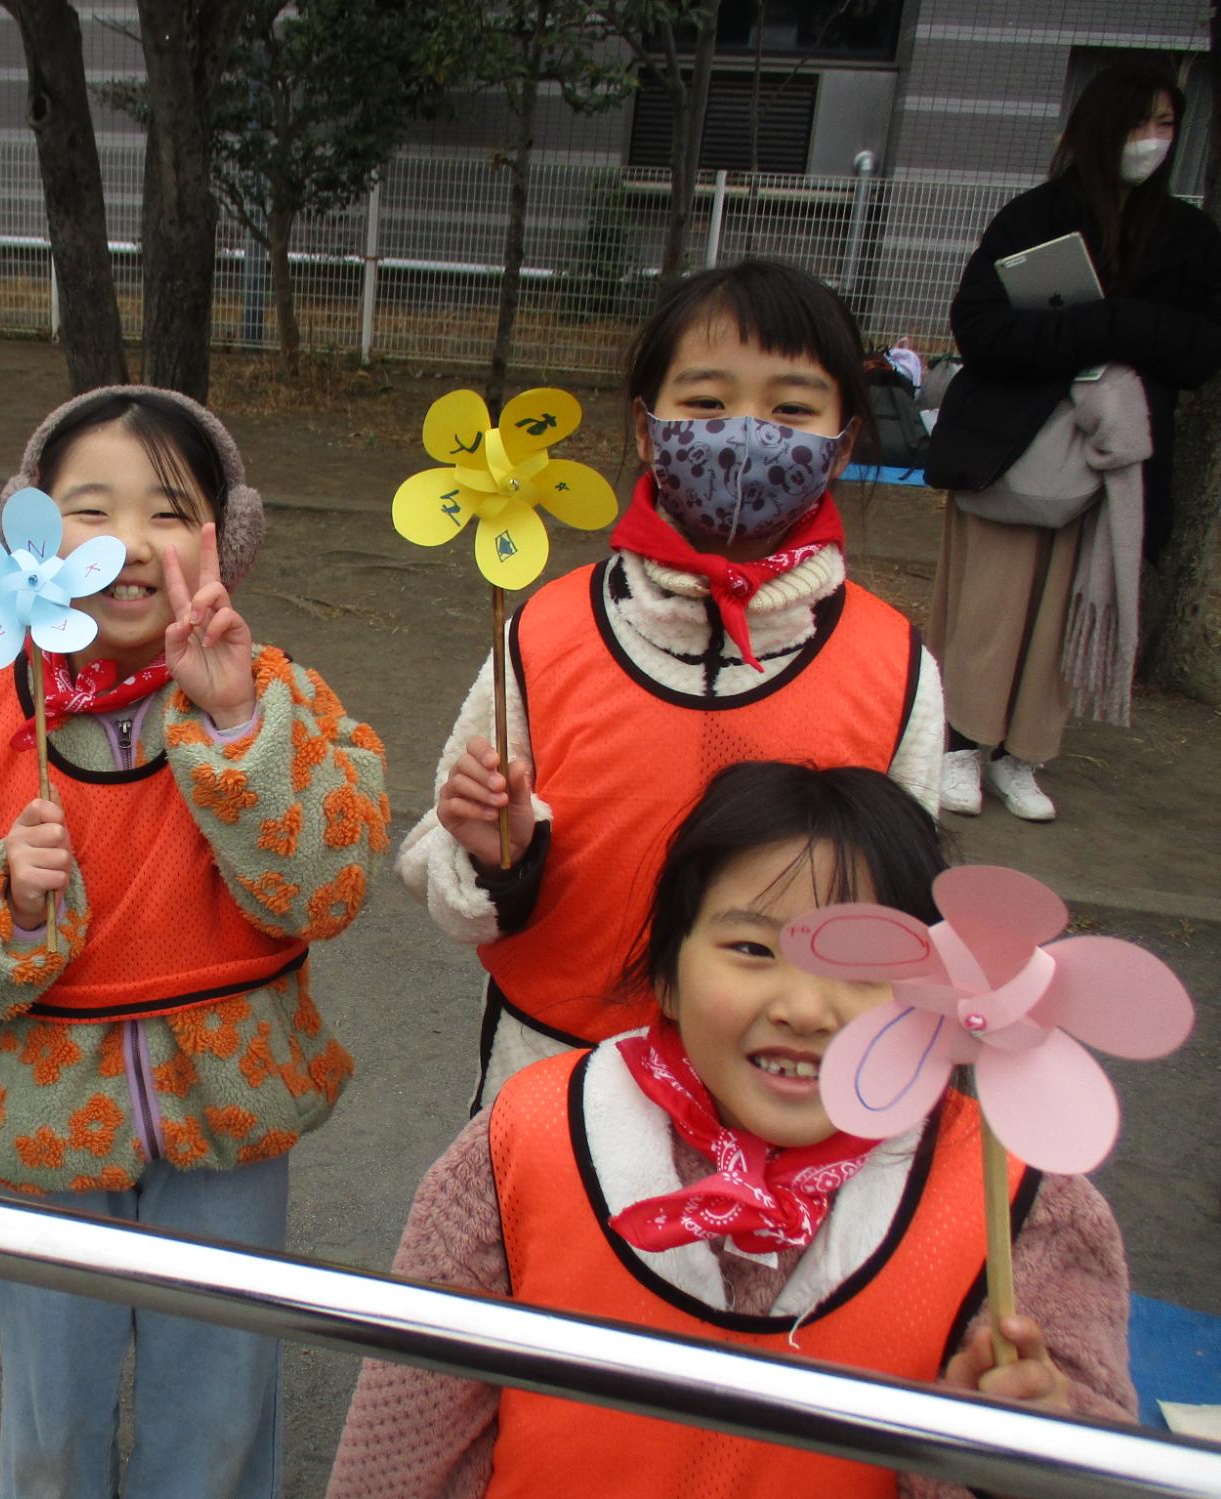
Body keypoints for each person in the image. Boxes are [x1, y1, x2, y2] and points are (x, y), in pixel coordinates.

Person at [0, 387, 387, 1499]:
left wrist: (237, 729)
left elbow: (328, 888)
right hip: (37, 1126)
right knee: (53, 1419)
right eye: (90, 510)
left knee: (220, 1410)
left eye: (168, 511)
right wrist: (4, 899)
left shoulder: (280, 696)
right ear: (27, 534)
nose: (129, 544)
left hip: (230, 1121)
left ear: (224, 539)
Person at [327, 761, 1135, 1499]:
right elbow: (403, 1451)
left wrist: (1003, 1467)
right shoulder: (525, 1143)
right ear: (669, 974)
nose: (805, 1009)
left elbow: (1097, 1460)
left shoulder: (1025, 1209)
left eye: (865, 967)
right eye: (752, 947)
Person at [398, 259, 943, 1109]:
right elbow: (442, 865)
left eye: (792, 409)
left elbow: (901, 928)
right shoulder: (547, 631)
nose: (747, 433)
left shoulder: (893, 666)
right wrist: (497, 854)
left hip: (778, 1107)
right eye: (707, 401)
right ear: (648, 428)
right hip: (552, 1085)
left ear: (843, 443)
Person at [926, 62, 1221, 822]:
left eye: (1165, 124)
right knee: (990, 603)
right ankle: (960, 741)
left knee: (1067, 611)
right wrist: (1101, 328)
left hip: (1112, 462)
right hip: (1010, 451)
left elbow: (1199, 351)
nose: (1151, 140)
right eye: (1137, 123)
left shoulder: (1190, 237)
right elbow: (980, 326)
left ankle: (1024, 754)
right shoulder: (1033, 218)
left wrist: (1121, 327)